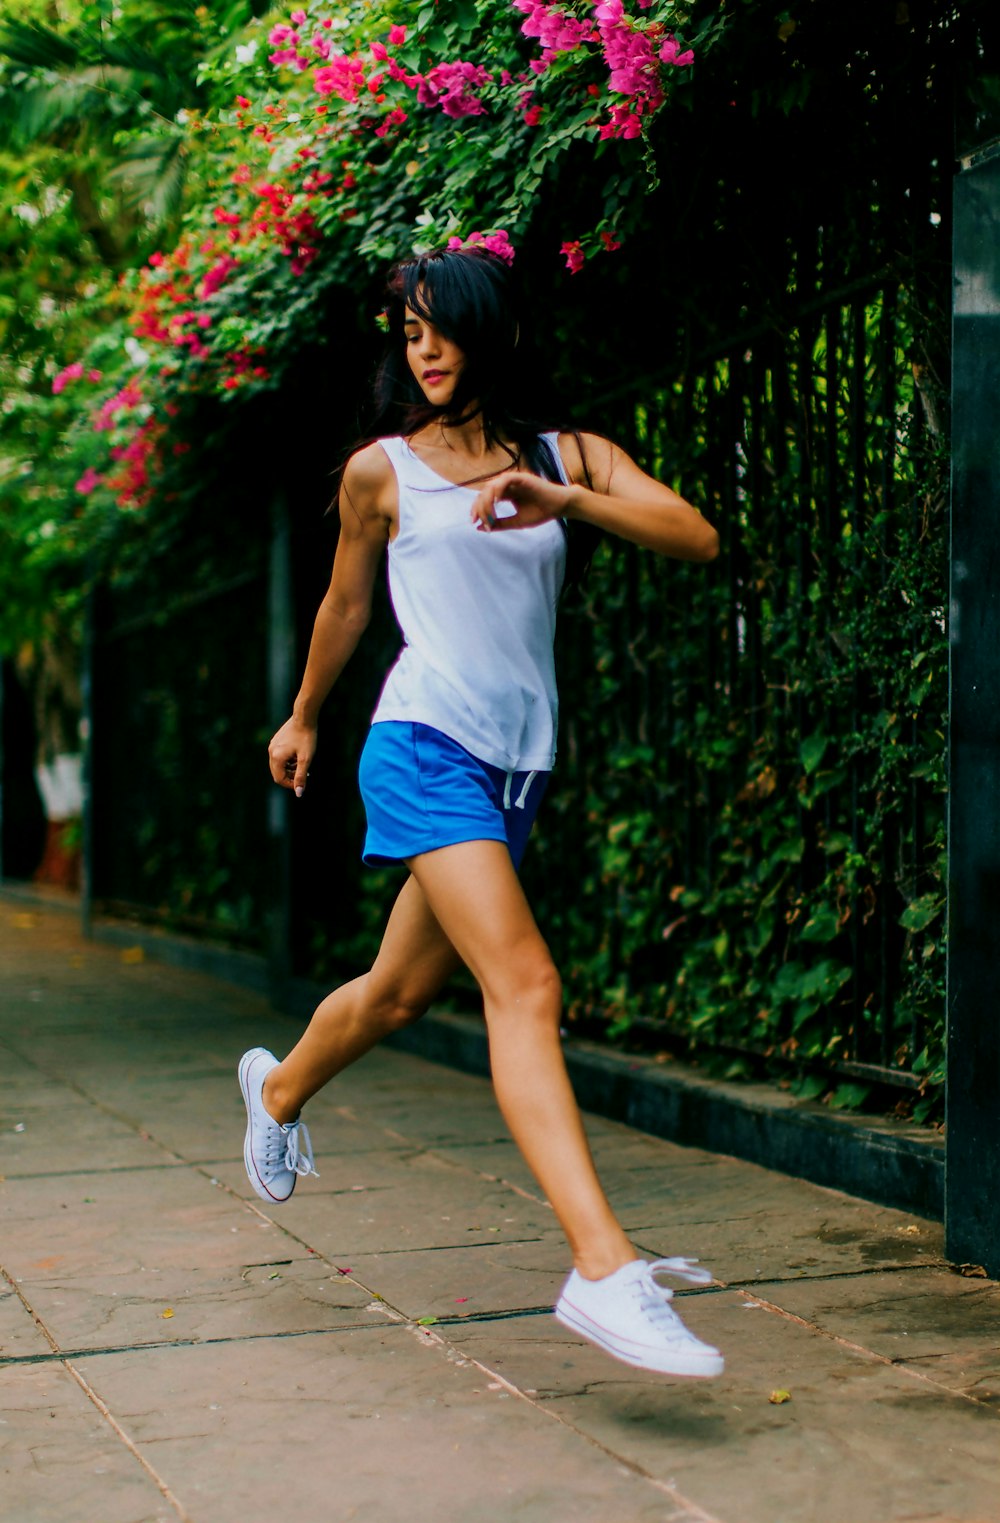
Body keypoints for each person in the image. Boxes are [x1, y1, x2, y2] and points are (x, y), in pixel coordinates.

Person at [238, 244, 723, 1378]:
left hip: (516, 766)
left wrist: (567, 498)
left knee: (402, 991)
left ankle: (279, 1085)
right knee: (527, 984)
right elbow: (348, 601)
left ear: (487, 328)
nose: (425, 350)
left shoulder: (569, 454)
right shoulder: (382, 471)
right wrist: (305, 714)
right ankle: (601, 1267)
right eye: (408, 332)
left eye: (442, 327)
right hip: (421, 742)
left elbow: (696, 535)